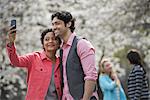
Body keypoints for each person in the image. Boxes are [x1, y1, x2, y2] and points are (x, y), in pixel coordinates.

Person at [51, 11, 98, 100]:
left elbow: (91, 76)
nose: (54, 27)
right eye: (52, 24)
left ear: (68, 24)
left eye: (57, 23)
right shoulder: (61, 49)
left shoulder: (82, 44)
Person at [6, 27, 62, 100]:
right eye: (47, 39)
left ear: (59, 43)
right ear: (43, 43)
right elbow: (16, 61)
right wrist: (11, 43)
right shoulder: (34, 58)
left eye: (54, 39)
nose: (50, 41)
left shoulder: (62, 63)